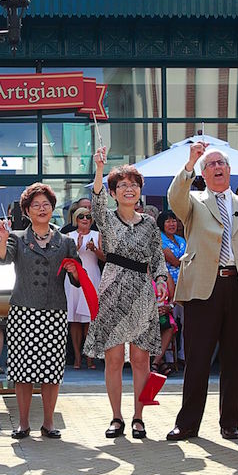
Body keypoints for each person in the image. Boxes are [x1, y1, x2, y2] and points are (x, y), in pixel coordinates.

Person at [165, 142, 238, 442]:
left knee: (233, 360)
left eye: (220, 164)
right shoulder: (194, 203)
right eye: (210, 164)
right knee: (198, 360)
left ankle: (230, 423)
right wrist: (189, 163)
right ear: (202, 173)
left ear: (229, 170)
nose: (216, 167)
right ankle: (187, 424)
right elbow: (175, 198)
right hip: (203, 288)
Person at [85, 146, 170, 440]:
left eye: (133, 185)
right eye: (122, 186)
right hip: (112, 288)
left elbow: (157, 254)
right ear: (113, 192)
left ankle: (138, 417)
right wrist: (99, 167)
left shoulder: (148, 223)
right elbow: (94, 203)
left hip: (142, 291)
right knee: (112, 359)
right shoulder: (106, 217)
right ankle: (116, 417)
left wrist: (160, 278)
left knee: (141, 359)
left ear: (139, 191)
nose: (128, 190)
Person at [0, 183, 81, 439]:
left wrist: (74, 271)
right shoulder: (18, 238)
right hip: (23, 311)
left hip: (54, 312)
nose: (41, 209)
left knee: (52, 371)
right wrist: (2, 239)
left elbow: (77, 279)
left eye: (46, 205)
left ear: (52, 208)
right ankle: (23, 423)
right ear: (27, 211)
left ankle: (48, 423)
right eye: (36, 205)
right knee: (23, 370)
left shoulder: (65, 241)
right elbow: (2, 258)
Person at [65, 206, 102, 369]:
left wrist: (94, 249)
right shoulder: (69, 236)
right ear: (76, 220)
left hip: (92, 276)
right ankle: (77, 356)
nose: (85, 220)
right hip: (75, 278)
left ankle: (90, 357)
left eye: (88, 217)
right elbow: (66, 260)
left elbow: (105, 258)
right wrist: (78, 247)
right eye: (81, 217)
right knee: (75, 320)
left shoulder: (97, 235)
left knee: (90, 319)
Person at [156, 211, 186, 375]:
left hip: (185, 285)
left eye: (174, 220)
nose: (172, 224)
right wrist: (186, 260)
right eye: (168, 221)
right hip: (166, 286)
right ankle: (165, 359)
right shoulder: (160, 240)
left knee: (186, 322)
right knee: (168, 322)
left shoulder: (182, 240)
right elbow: (173, 261)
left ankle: (182, 355)